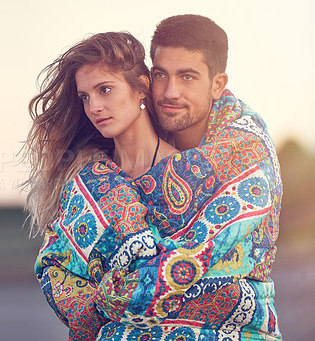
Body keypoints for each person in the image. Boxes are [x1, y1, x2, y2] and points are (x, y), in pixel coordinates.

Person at [92, 15, 283, 341]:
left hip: (237, 327)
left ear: (218, 84)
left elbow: (189, 257)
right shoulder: (141, 129)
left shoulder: (244, 147)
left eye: (188, 77)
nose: (170, 92)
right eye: (161, 74)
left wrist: (108, 293)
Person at [25, 31, 178, 340]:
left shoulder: (188, 171)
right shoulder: (82, 182)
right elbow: (55, 266)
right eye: (85, 97)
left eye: (105, 90)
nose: (94, 106)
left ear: (141, 89)